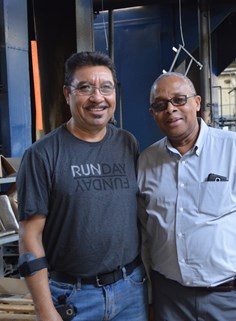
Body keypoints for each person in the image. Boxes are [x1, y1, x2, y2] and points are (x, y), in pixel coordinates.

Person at [137, 72, 236, 321]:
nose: (170, 110)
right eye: (160, 105)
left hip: (232, 300)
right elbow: (145, 237)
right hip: (170, 300)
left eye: (179, 100)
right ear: (153, 113)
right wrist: (152, 298)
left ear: (196, 103)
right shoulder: (146, 162)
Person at [16, 51, 148, 321]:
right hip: (72, 297)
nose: (97, 98)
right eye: (85, 88)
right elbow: (30, 236)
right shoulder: (42, 154)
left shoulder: (127, 143)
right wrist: (44, 309)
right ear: (67, 94)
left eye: (106, 88)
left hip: (131, 290)